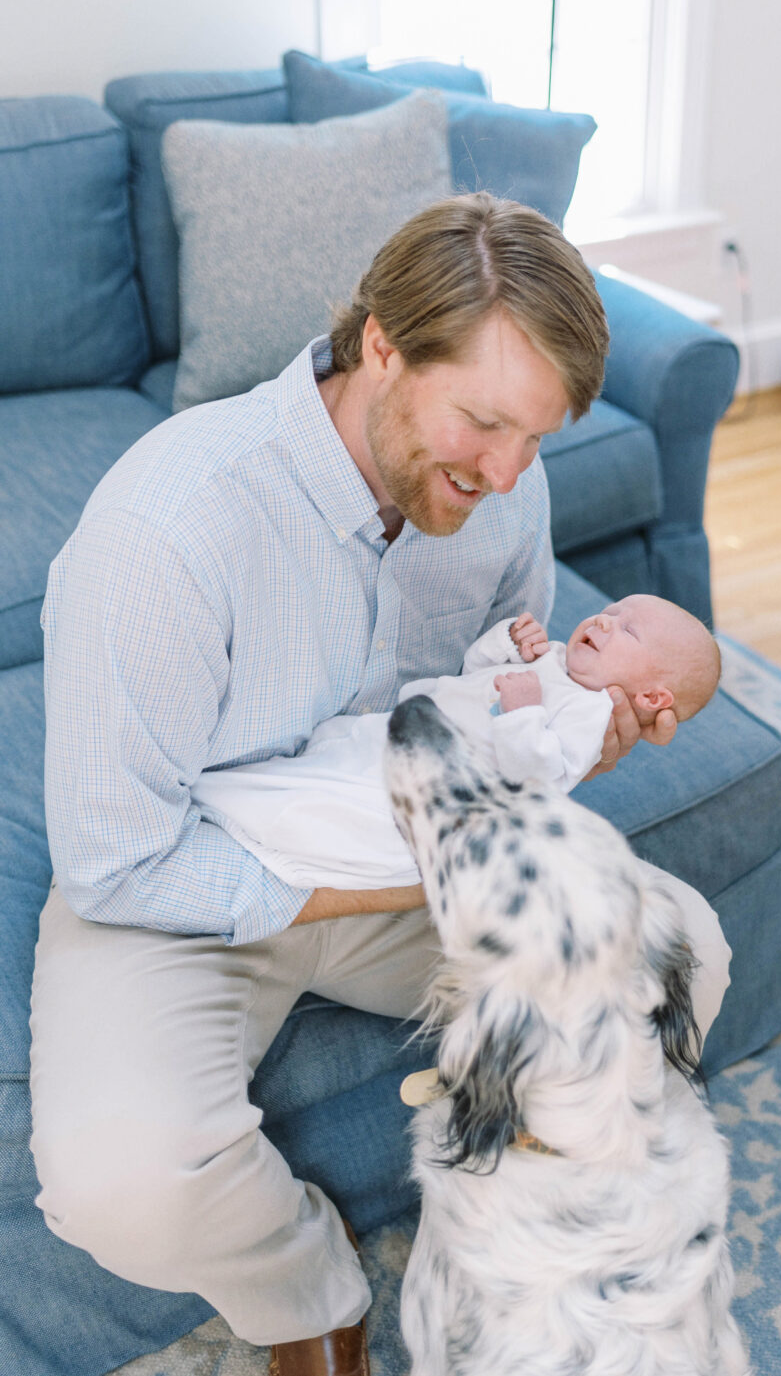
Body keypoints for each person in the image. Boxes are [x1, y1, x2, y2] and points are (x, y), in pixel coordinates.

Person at [29, 192, 732, 1376]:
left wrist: (569, 746)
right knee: (119, 1179)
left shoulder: (499, 485)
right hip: (193, 873)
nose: (510, 474)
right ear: (382, 345)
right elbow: (118, 860)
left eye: (539, 438)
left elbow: (493, 713)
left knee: (683, 959)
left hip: (404, 846)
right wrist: (407, 872)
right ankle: (310, 1287)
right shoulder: (170, 531)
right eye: (485, 422)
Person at [192, 595, 723, 892]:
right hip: (403, 727)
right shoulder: (557, 659)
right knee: (332, 750)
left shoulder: (592, 712)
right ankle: (237, 787)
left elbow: (534, 779)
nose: (607, 620)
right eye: (614, 610)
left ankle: (225, 808)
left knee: (334, 808)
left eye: (628, 632)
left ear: (652, 696)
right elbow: (473, 676)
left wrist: (524, 713)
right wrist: (506, 646)